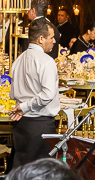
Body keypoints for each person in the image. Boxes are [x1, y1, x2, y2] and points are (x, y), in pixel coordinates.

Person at [9, 18, 59, 168]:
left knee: (22, 174)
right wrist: (24, 107)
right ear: (41, 39)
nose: (54, 41)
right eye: (51, 37)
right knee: (41, 177)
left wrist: (22, 106)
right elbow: (48, 95)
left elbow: (13, 94)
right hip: (40, 126)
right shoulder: (46, 61)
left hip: (21, 126)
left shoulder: (18, 60)